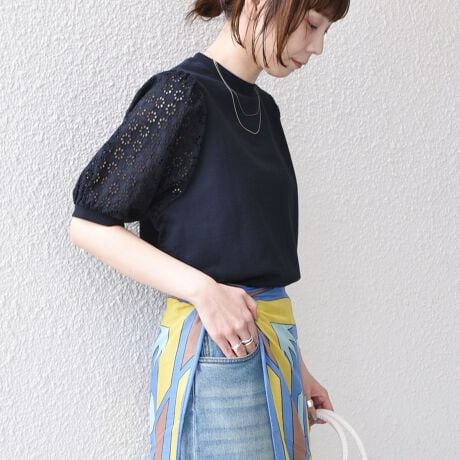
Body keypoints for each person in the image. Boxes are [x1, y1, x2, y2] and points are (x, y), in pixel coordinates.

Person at [68, 0, 350, 458]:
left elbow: (258, 259)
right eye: (312, 24)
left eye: (325, 31)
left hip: (274, 350)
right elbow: (89, 225)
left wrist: (299, 368)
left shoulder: (265, 110)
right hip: (220, 354)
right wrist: (203, 291)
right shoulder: (182, 94)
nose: (317, 46)